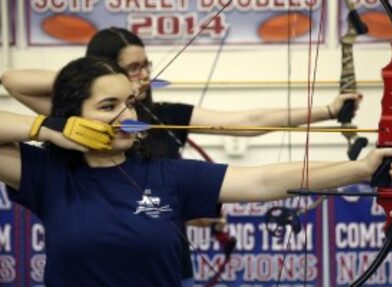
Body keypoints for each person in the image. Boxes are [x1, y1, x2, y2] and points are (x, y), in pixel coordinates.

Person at [1, 27, 363, 286]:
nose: (128, 113)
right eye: (131, 70)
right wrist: (47, 127)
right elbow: (12, 79)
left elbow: (259, 170)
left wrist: (357, 162)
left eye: (145, 68)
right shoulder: (48, 171)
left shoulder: (168, 162)